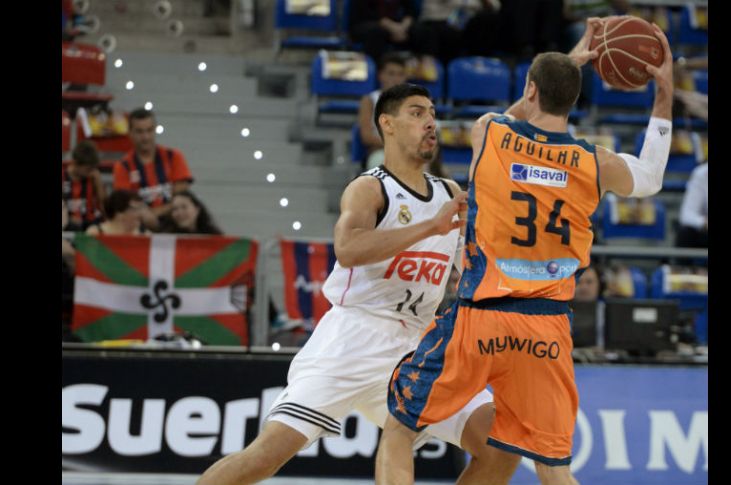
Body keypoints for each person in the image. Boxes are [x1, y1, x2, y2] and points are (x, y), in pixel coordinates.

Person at [376, 18, 674, 485]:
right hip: (546, 328)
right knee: (554, 472)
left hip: (479, 317)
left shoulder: (491, 134)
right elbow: (653, 177)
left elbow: (514, 114)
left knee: (399, 428)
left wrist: (572, 60)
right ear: (575, 101)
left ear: (531, 89)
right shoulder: (594, 161)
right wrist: (663, 89)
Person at [196, 84, 505, 485]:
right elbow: (348, 248)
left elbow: (499, 132)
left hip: (416, 343)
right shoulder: (369, 188)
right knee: (267, 454)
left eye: (432, 112)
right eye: (416, 113)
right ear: (387, 124)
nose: (430, 121)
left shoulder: (449, 193)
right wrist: (429, 226)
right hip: (353, 337)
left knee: (499, 441)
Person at [112, 108, 194, 231]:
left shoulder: (174, 157)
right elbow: (126, 207)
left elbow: (181, 198)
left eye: (149, 130)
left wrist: (152, 214)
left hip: (175, 224)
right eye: (139, 132)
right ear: (130, 133)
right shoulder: (123, 166)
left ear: (155, 130)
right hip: (140, 230)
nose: (145, 137)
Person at [359, 53, 408, 170]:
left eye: (400, 74)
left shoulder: (412, 104)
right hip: (380, 153)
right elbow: (366, 137)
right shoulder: (370, 100)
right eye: (391, 74)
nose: (396, 79)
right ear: (381, 76)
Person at [348, 0, 417, 62]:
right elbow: (365, 13)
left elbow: (411, 11)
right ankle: (375, 67)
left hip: (397, 25)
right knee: (377, 32)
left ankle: (420, 68)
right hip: (366, 23)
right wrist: (391, 28)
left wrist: (403, 27)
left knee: (420, 30)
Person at [62, 140, 106, 232]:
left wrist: (98, 183)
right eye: (88, 169)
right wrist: (69, 219)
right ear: (75, 163)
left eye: (93, 168)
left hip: (90, 223)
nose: (90, 172)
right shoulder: (63, 177)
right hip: (68, 224)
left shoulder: (93, 177)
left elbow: (103, 204)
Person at [85, 190, 152, 236]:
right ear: (119, 212)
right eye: (135, 209)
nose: (140, 214)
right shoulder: (94, 233)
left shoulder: (145, 235)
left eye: (141, 209)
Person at [159, 191, 223, 235]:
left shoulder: (214, 236)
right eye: (175, 209)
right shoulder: (166, 239)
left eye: (184, 207)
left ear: (197, 209)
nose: (180, 213)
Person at [676, 161, 708, 248]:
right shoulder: (702, 174)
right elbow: (686, 215)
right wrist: (704, 223)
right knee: (685, 233)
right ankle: (677, 262)